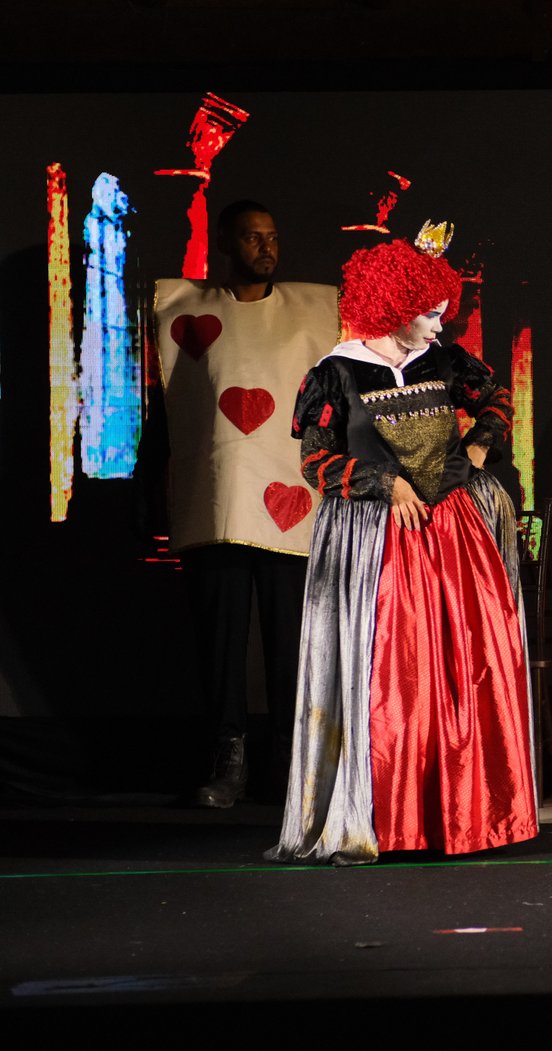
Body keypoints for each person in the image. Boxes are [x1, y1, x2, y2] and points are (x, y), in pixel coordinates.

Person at [266, 223, 537, 865]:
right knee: (395, 674)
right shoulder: (336, 372)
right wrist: (384, 484)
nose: (440, 327)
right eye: (430, 315)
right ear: (393, 308)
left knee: (470, 665)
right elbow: (316, 460)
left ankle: (470, 815)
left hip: (454, 532)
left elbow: (495, 399)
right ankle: (393, 818)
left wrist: (478, 446)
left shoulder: (441, 361)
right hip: (378, 541)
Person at [154, 200, 337, 808]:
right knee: (222, 644)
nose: (266, 246)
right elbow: (171, 408)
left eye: (272, 236)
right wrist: (150, 487)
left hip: (290, 501)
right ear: (228, 245)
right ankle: (228, 761)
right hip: (221, 501)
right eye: (252, 237)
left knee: (292, 643)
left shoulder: (309, 313)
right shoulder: (191, 313)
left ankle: (291, 764)